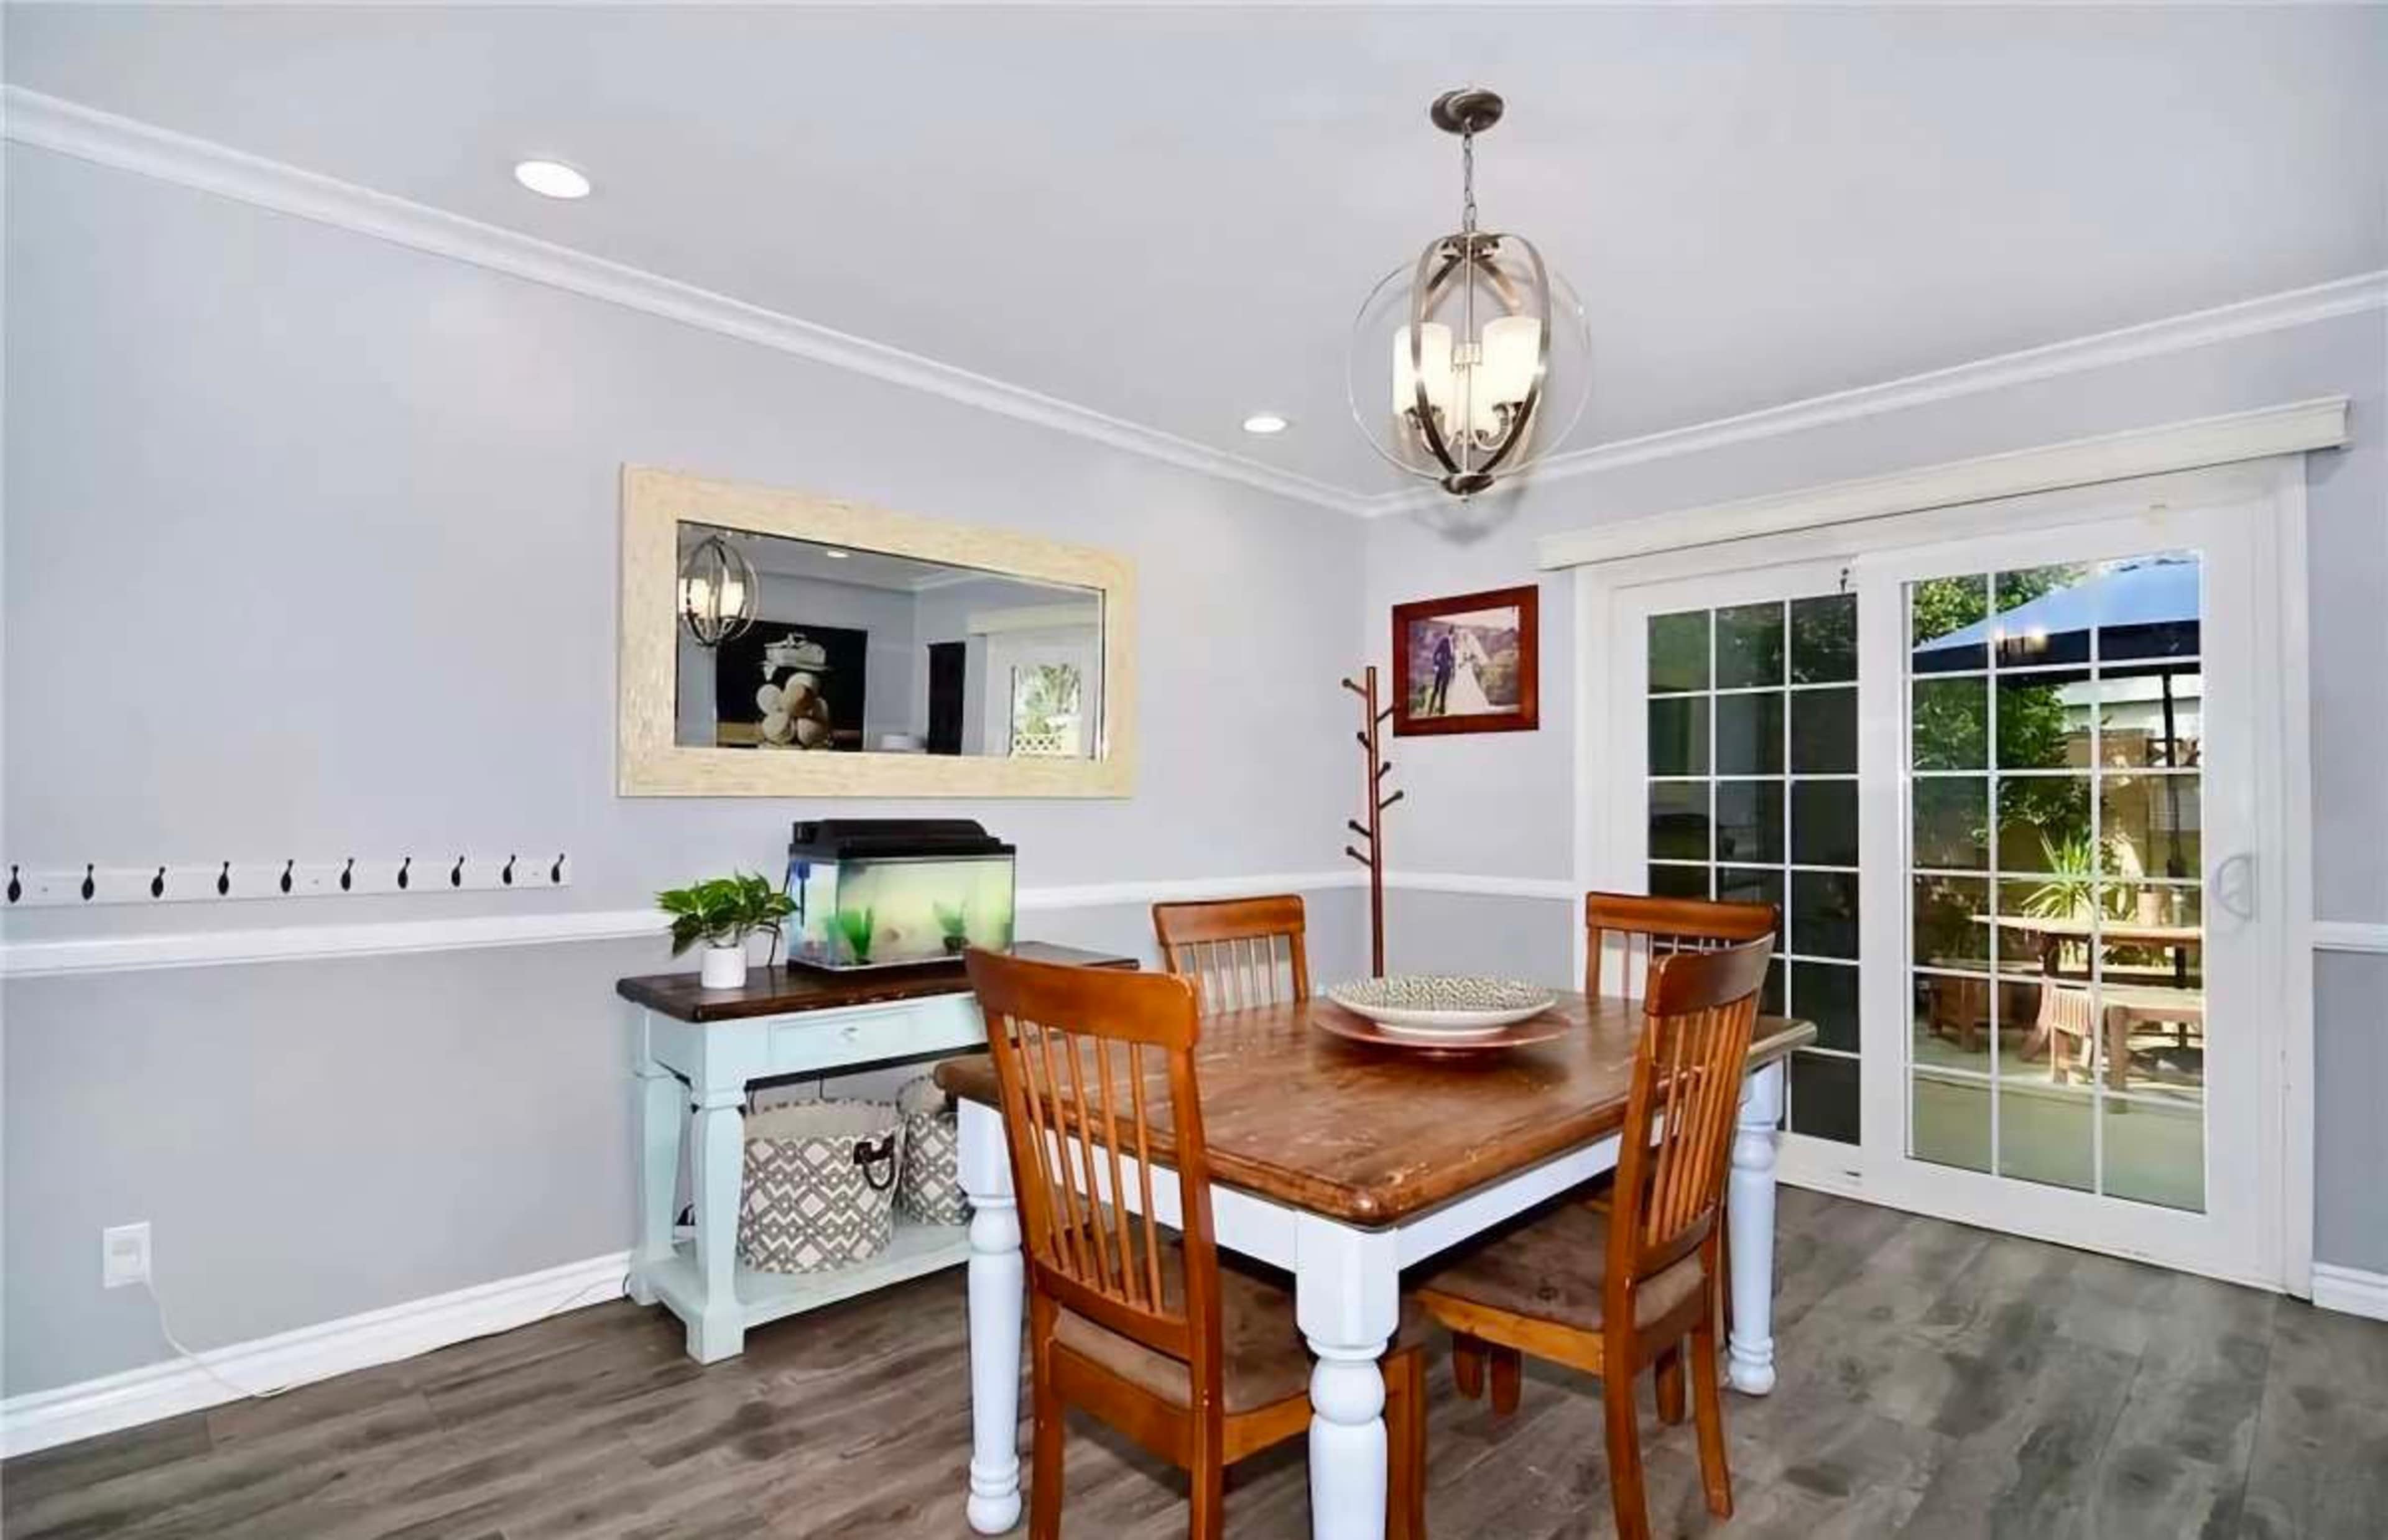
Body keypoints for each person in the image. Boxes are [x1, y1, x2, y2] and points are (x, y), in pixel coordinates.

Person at [1428, 631, 1455, 714]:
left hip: (1448, 669)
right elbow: (1436, 653)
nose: (1455, 636)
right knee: (1436, 689)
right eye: (1454, 634)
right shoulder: (1444, 640)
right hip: (1440, 668)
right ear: (1451, 633)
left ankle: (1442, 710)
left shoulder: (1454, 643)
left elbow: (1452, 656)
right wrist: (1436, 665)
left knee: (1444, 689)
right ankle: (1430, 710)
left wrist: (1453, 667)